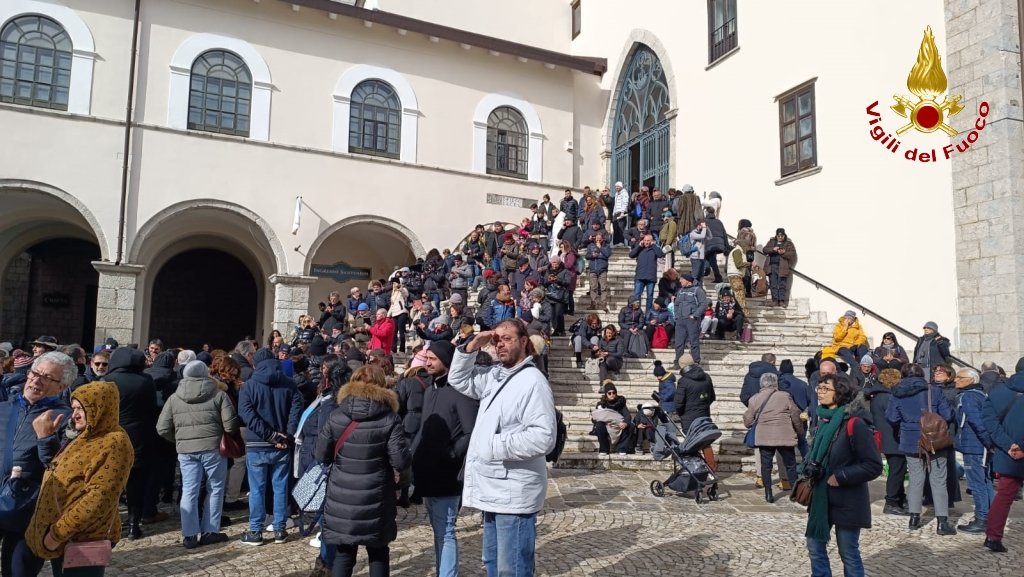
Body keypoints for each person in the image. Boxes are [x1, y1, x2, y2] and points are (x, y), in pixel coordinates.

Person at [448, 320, 556, 577]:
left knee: (512, 568)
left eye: (507, 338)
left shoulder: (533, 382)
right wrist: (472, 345)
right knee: (493, 564)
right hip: (494, 490)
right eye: (497, 340)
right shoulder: (496, 375)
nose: (500, 344)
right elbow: (458, 379)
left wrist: (493, 445)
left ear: (524, 342)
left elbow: (544, 437)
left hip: (514, 494)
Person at [26, 380, 133, 577]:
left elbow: (100, 498)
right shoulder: (83, 435)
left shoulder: (114, 442)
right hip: (65, 538)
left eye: (82, 409)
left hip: (83, 538)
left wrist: (56, 534)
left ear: (100, 408)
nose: (74, 414)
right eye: (74, 407)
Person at [316, 365, 409, 577]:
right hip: (376, 495)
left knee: (344, 554)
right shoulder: (389, 418)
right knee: (378, 552)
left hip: (342, 495)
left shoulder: (337, 415)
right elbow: (400, 461)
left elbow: (321, 454)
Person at [803, 374, 884, 577]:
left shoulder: (855, 424)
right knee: (814, 547)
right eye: (818, 388)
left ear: (839, 393)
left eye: (825, 389)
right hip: (821, 498)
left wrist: (841, 476)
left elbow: (873, 465)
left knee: (848, 551)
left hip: (847, 499)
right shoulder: (822, 421)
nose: (820, 393)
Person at [0, 352, 73, 577]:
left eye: (46, 378)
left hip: (30, 510)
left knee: (17, 572)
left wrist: (45, 438)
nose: (35, 380)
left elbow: (60, 469)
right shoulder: (4, 407)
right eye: (34, 373)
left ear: (61, 387)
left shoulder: (65, 418)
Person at [411, 342, 479, 577]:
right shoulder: (430, 390)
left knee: (446, 530)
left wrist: (451, 453)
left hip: (448, 473)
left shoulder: (461, 392)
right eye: (426, 358)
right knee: (438, 530)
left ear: (447, 362)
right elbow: (424, 428)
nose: (427, 363)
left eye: (433, 359)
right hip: (426, 472)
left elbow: (471, 432)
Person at [156, 361, 239, 549]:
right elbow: (231, 425)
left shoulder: (174, 398)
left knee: (189, 490)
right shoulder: (219, 394)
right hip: (213, 448)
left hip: (186, 450)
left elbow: (162, 428)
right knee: (216, 488)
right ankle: (210, 531)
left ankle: (190, 535)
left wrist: (179, 439)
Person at [238, 348, 303, 546]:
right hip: (281, 444)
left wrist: (270, 435)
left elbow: (246, 415)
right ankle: (279, 530)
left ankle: (256, 531)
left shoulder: (248, 386)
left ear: (255, 364)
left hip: (258, 444)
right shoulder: (290, 385)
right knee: (280, 488)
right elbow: (296, 411)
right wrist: (286, 435)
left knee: (257, 489)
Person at [885, 363, 956, 535]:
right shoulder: (933, 390)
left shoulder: (896, 392)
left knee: (916, 479)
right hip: (934, 439)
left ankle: (914, 518)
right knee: (938, 480)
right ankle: (942, 522)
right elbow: (947, 415)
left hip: (910, 439)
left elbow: (892, 417)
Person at [100, 347, 158, 539]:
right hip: (139, 437)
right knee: (137, 482)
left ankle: (109, 523)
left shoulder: (107, 381)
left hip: (112, 437)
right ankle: (134, 524)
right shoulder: (146, 381)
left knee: (110, 481)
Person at [980, 357, 1024, 553]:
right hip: (1014, 450)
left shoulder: (997, 392)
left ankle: (993, 536)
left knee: (1004, 496)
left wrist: (1009, 445)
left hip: (1009, 452)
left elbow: (989, 422)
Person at [743, 373, 803, 503]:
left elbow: (748, 421)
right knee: (790, 465)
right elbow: (795, 415)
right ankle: (794, 493)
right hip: (784, 434)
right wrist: (799, 431)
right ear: (775, 383)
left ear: (761, 384)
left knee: (766, 465)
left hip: (764, 436)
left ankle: (768, 493)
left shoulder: (754, 399)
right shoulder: (785, 396)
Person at [861, 368, 908, 515]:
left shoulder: (878, 396)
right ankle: (892, 501)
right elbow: (895, 418)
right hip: (893, 439)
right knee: (896, 471)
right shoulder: (887, 397)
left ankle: (899, 498)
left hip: (887, 438)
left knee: (897, 470)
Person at [952, 367, 991, 534]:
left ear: (971, 380)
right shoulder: (982, 395)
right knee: (985, 481)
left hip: (974, 446)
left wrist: (988, 442)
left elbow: (976, 422)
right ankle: (990, 517)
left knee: (977, 484)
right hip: (980, 446)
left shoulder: (968, 397)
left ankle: (982, 519)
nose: (955, 380)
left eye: (960, 377)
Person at [674, 353, 717, 469]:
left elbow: (679, 403)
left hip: (689, 418)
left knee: (693, 444)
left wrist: (680, 413)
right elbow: (712, 397)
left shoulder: (683, 381)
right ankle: (711, 468)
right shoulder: (707, 377)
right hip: (704, 416)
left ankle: (698, 469)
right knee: (706, 443)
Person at [673, 273, 707, 366]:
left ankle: (696, 361)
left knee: (693, 342)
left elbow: (704, 304)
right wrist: (676, 316)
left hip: (692, 320)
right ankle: (678, 362)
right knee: (679, 343)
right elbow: (676, 304)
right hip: (680, 320)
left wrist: (695, 315)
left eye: (682, 279)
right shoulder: (680, 291)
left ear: (688, 280)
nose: (680, 281)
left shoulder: (697, 290)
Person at [591, 383, 633, 456]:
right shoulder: (601, 404)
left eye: (614, 392)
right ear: (606, 394)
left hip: (618, 426)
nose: (612, 394)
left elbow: (627, 416)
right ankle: (604, 449)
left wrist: (625, 423)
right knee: (599, 425)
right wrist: (605, 422)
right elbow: (595, 418)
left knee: (630, 425)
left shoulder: (621, 403)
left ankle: (621, 448)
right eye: (609, 393)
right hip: (606, 426)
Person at [761, 228, 797, 307]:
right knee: (773, 283)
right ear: (776, 235)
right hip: (772, 266)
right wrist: (773, 249)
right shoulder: (772, 241)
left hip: (783, 266)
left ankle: (781, 301)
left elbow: (792, 254)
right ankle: (774, 301)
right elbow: (764, 250)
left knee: (782, 284)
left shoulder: (788, 243)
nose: (780, 237)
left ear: (784, 235)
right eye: (778, 235)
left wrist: (784, 253)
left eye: (782, 235)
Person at [629, 234, 664, 314]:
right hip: (639, 276)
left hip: (650, 277)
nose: (646, 242)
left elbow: (660, 254)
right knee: (636, 296)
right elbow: (631, 255)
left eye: (648, 241)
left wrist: (654, 245)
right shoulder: (640, 248)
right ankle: (636, 313)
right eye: (645, 240)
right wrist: (639, 246)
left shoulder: (654, 249)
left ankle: (648, 315)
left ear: (651, 241)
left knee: (650, 297)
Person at [584, 233, 612, 312]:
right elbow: (586, 256)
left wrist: (601, 248)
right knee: (593, 288)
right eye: (597, 240)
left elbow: (607, 255)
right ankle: (593, 304)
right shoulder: (590, 245)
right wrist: (592, 255)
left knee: (603, 288)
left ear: (603, 239)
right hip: (593, 269)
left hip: (602, 270)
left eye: (600, 239)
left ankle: (603, 304)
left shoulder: (606, 246)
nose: (598, 241)